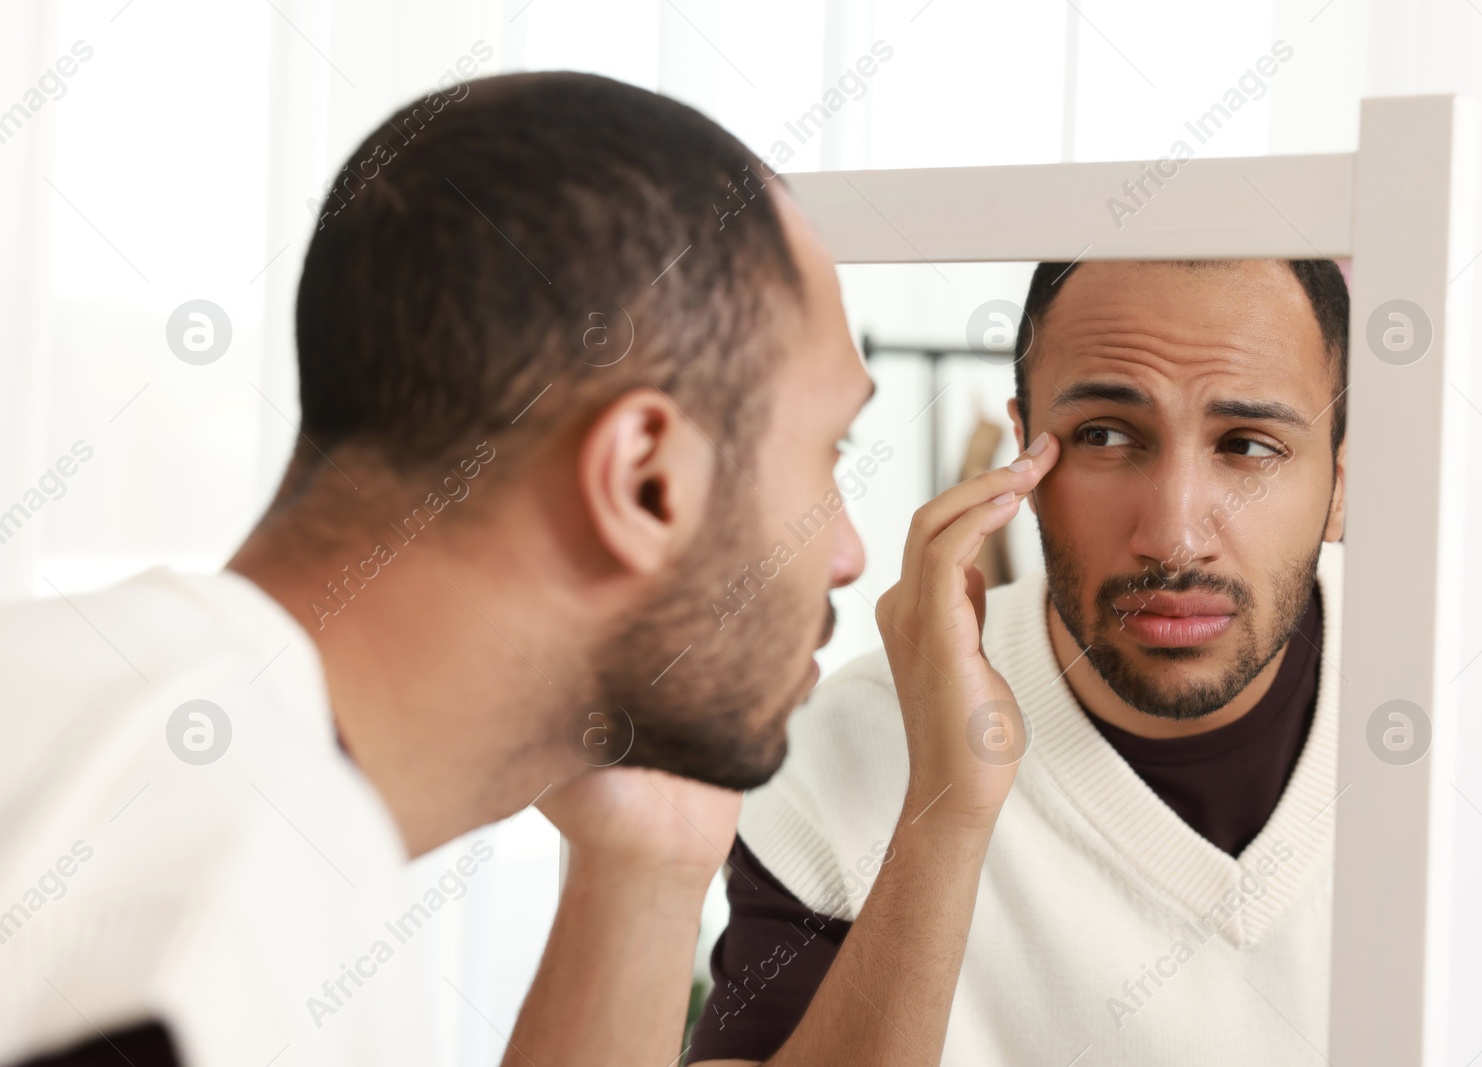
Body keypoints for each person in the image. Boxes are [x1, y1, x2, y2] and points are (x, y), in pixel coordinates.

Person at [0, 70, 889, 1067]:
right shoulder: (216, 924)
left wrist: (648, 862)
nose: (848, 552)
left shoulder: (138, 747)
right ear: (645, 482)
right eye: (829, 454)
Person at [690, 258, 1351, 1066]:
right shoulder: (840, 751)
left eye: (1249, 445)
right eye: (1105, 436)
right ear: (1023, 460)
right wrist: (946, 803)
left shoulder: (1468, 699)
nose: (1175, 537)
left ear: (1343, 478)